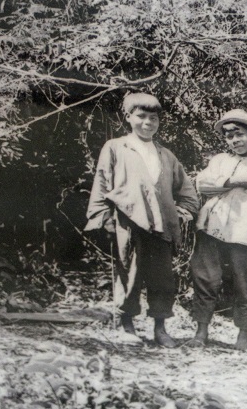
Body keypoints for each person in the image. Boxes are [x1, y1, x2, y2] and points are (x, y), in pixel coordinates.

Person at [85, 93, 199, 348]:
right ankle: (126, 325)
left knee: (163, 278)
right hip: (128, 222)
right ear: (128, 117)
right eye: (141, 116)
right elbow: (102, 182)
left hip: (162, 226)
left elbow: (187, 192)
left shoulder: (166, 155)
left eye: (153, 118)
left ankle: (160, 329)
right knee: (129, 273)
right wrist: (103, 216)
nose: (148, 122)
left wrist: (180, 213)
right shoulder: (116, 147)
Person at [190, 109, 247, 351]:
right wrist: (236, 182)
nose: (235, 140)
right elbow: (202, 184)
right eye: (229, 136)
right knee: (206, 279)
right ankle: (201, 331)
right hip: (212, 225)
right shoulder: (219, 160)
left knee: (245, 283)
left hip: (244, 229)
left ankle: (243, 336)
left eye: (240, 134)